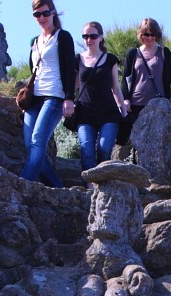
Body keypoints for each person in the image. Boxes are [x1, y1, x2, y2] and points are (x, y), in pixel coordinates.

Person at [20, 0, 76, 187]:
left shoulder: (63, 37)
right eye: (37, 14)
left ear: (53, 13)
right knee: (30, 144)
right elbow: (33, 69)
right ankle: (56, 186)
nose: (41, 18)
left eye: (45, 13)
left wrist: (69, 98)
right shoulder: (34, 41)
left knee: (37, 141)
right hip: (35, 98)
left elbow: (70, 69)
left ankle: (23, 184)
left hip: (54, 96)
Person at [72, 22, 126, 171]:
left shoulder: (110, 60)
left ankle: (102, 184)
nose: (89, 39)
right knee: (86, 151)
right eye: (85, 36)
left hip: (108, 113)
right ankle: (90, 189)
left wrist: (124, 111)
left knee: (104, 148)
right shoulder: (78, 59)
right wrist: (67, 101)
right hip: (85, 114)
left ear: (101, 37)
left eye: (93, 36)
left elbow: (116, 88)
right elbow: (74, 85)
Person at [120, 17, 171, 128]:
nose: (149, 38)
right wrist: (125, 99)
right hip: (136, 104)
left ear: (157, 35)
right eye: (145, 34)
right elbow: (125, 78)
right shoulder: (133, 54)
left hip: (159, 103)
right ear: (140, 35)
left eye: (152, 35)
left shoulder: (164, 52)